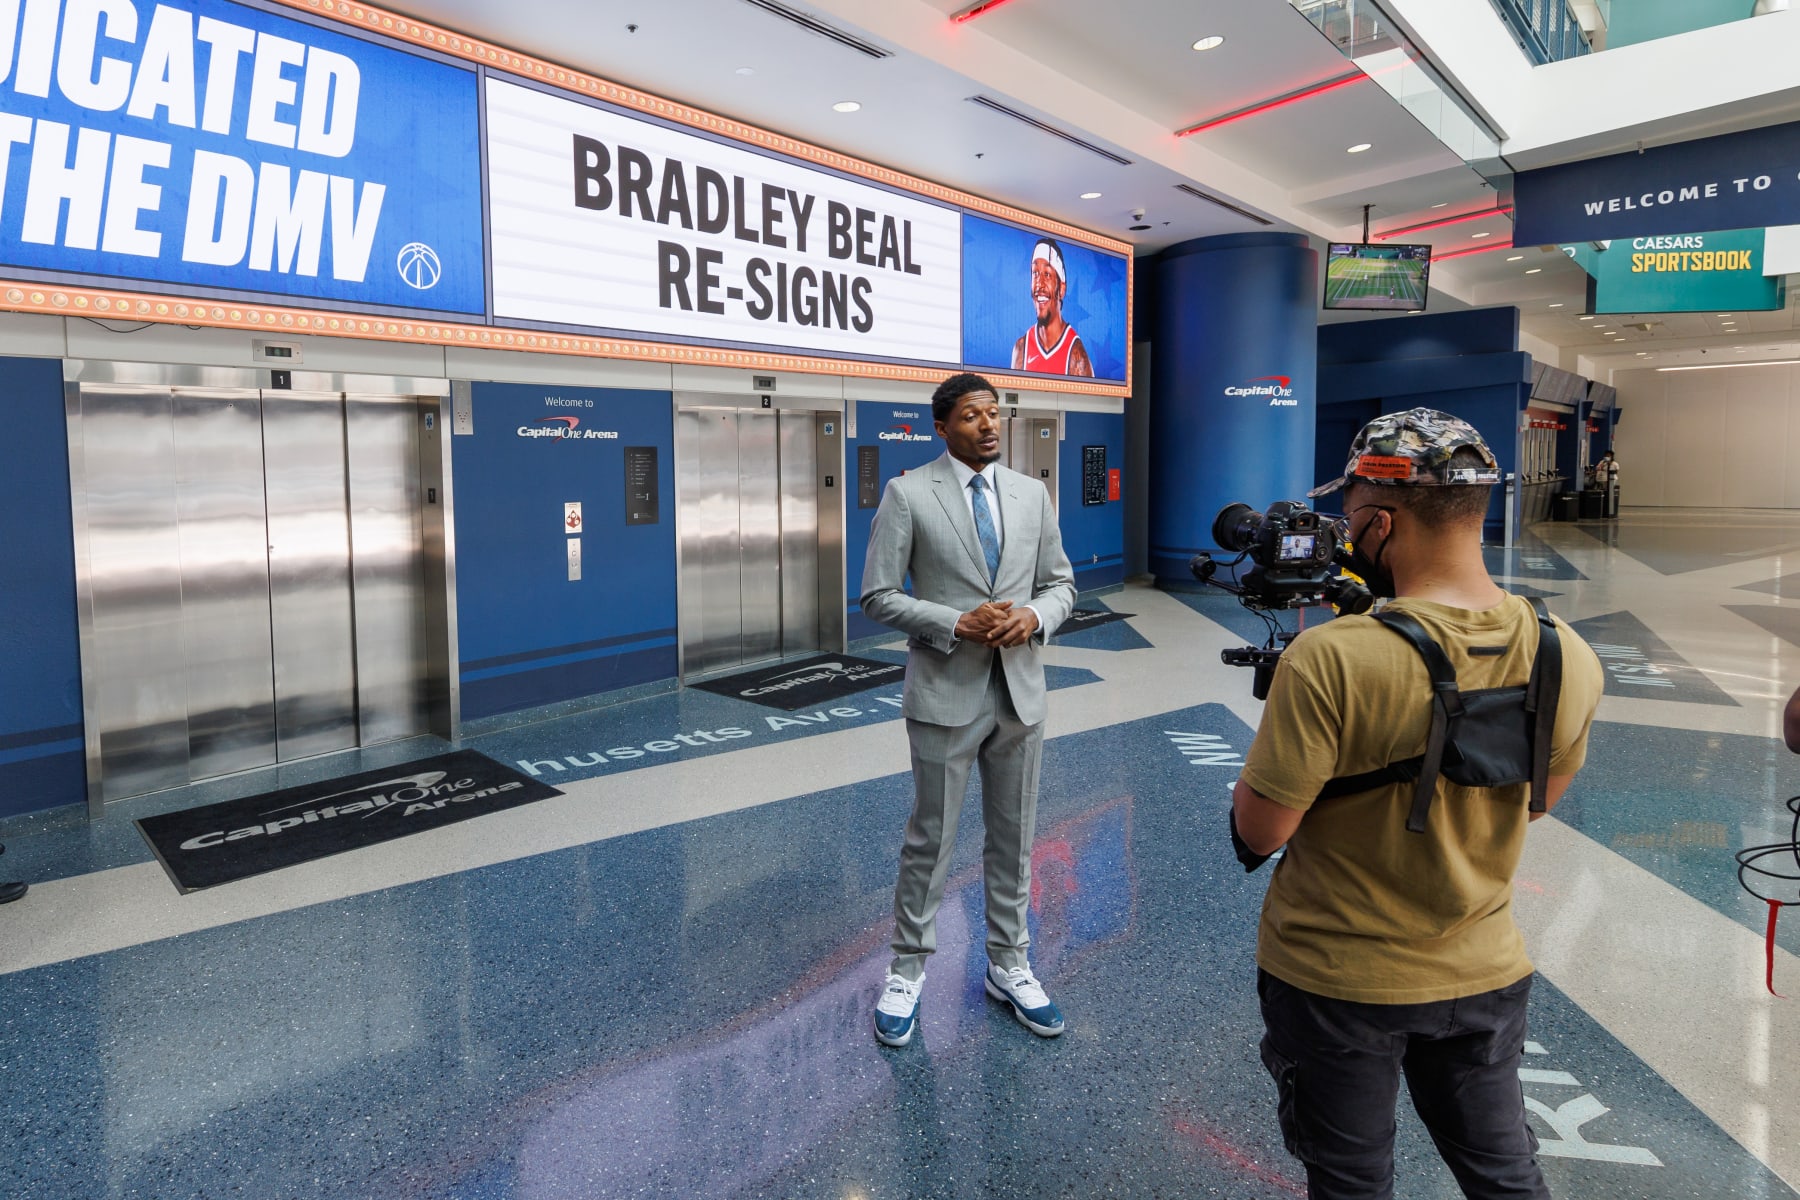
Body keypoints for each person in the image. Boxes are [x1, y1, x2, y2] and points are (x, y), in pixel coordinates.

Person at [1231, 407, 1605, 1199]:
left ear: (1377, 519)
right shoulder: (1566, 650)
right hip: (1485, 967)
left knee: (1351, 1181)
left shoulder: (1329, 656)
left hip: (1338, 980)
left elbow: (1260, 831)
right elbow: (1536, 803)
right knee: (1505, 1173)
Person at [861, 371, 1077, 1046]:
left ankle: (1009, 963)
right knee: (932, 837)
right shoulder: (908, 494)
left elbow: (1060, 583)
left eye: (994, 414)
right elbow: (878, 594)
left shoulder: (1031, 494)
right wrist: (956, 621)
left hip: (1020, 691)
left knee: (1015, 837)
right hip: (944, 692)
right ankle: (906, 971)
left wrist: (1036, 618)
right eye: (971, 416)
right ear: (942, 426)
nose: (988, 425)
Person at [1010, 238, 1094, 378]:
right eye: (1035, 273)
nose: (1039, 284)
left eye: (1047, 274)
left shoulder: (1076, 355)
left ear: (1061, 289)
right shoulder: (1021, 348)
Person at [1592, 450, 1620, 517]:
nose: (1606, 457)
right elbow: (1597, 468)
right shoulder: (1602, 462)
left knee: (1608, 493)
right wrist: (1603, 464)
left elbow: (1616, 471)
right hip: (1600, 479)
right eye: (1605, 455)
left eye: (1608, 456)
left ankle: (1609, 511)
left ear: (1611, 456)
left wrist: (1609, 464)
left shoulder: (1615, 464)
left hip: (1609, 480)